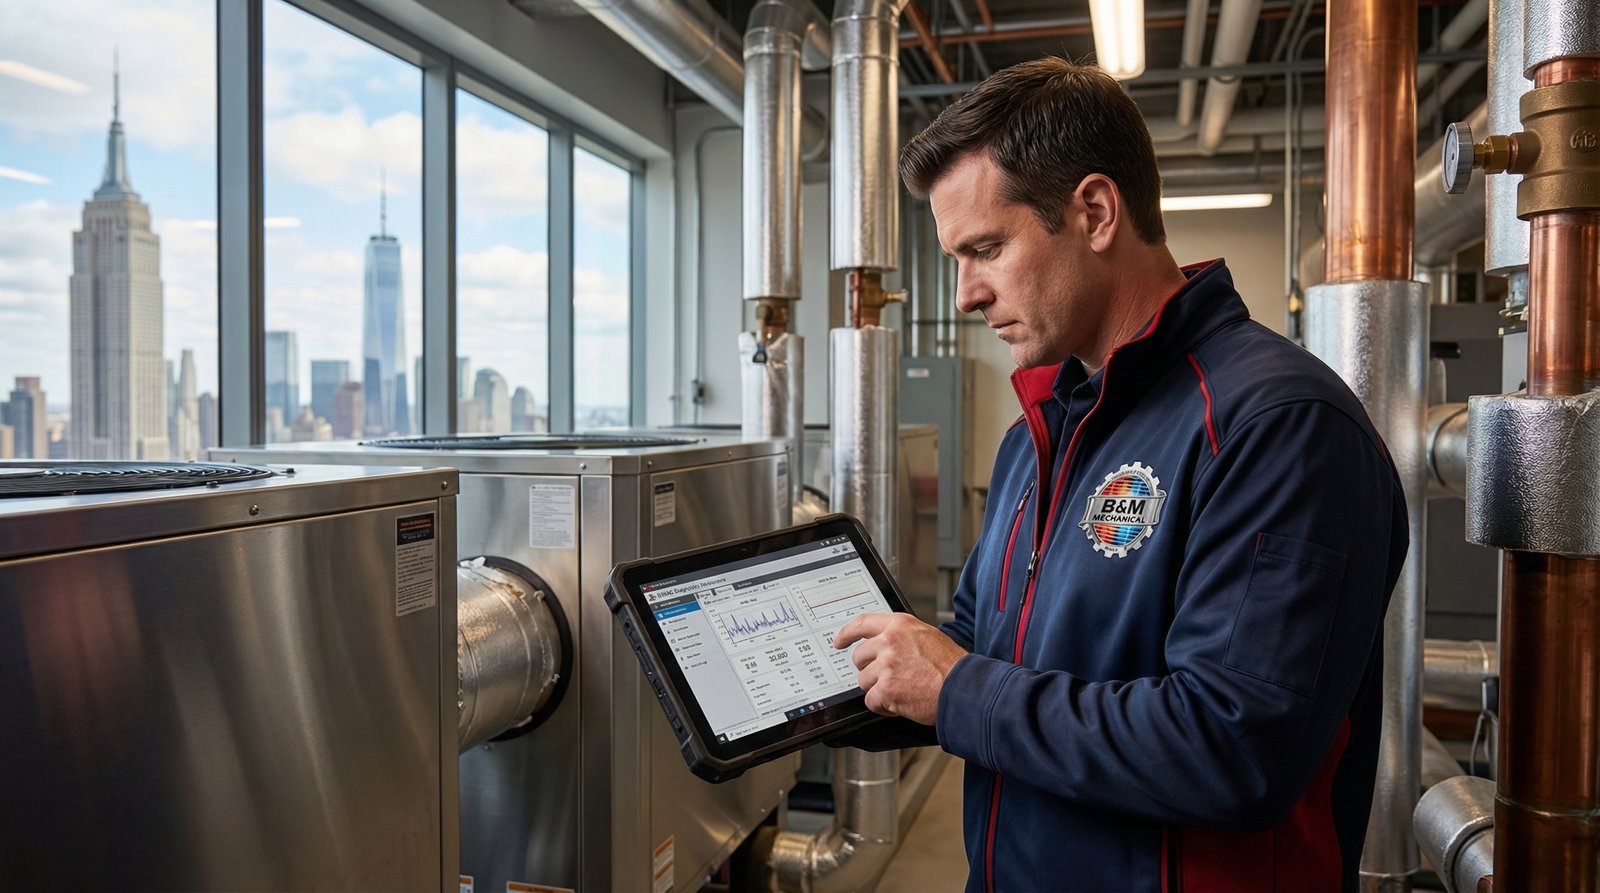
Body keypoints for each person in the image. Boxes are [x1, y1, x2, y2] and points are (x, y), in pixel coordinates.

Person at [832, 57, 1408, 892]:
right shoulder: (1037, 434)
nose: (964, 294)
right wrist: (833, 695)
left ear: (1095, 212)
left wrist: (956, 688)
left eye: (986, 248)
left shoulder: (1276, 425)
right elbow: (986, 651)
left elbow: (1234, 747)